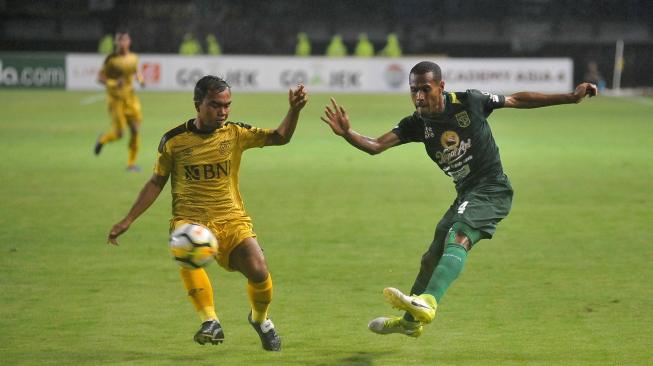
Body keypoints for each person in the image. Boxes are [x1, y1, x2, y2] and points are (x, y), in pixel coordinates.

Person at [320, 61, 597, 337]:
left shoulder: (470, 102)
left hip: (492, 189)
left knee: (459, 234)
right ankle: (409, 322)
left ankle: (429, 302)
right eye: (413, 90)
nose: (418, 96)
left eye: (425, 89)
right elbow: (376, 145)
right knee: (431, 257)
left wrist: (571, 97)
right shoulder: (417, 124)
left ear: (441, 86)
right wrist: (347, 133)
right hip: (466, 193)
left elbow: (516, 99)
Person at [107, 76, 308, 351]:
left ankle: (260, 320)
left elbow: (280, 137)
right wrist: (128, 219)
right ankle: (209, 321)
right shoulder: (174, 141)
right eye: (215, 105)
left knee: (259, 271)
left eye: (227, 105)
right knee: (187, 247)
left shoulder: (235, 133)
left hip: (232, 219)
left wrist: (294, 110)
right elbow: (156, 182)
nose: (223, 112)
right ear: (197, 105)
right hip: (190, 219)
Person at [95, 32, 145, 172]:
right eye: (119, 40)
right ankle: (102, 139)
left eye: (124, 40)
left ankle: (131, 164)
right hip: (115, 100)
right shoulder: (111, 60)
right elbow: (100, 78)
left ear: (129, 41)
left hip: (130, 99)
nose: (122, 43)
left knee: (135, 130)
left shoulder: (134, 58)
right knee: (119, 134)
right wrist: (114, 83)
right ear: (116, 42)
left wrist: (141, 80)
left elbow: (137, 72)